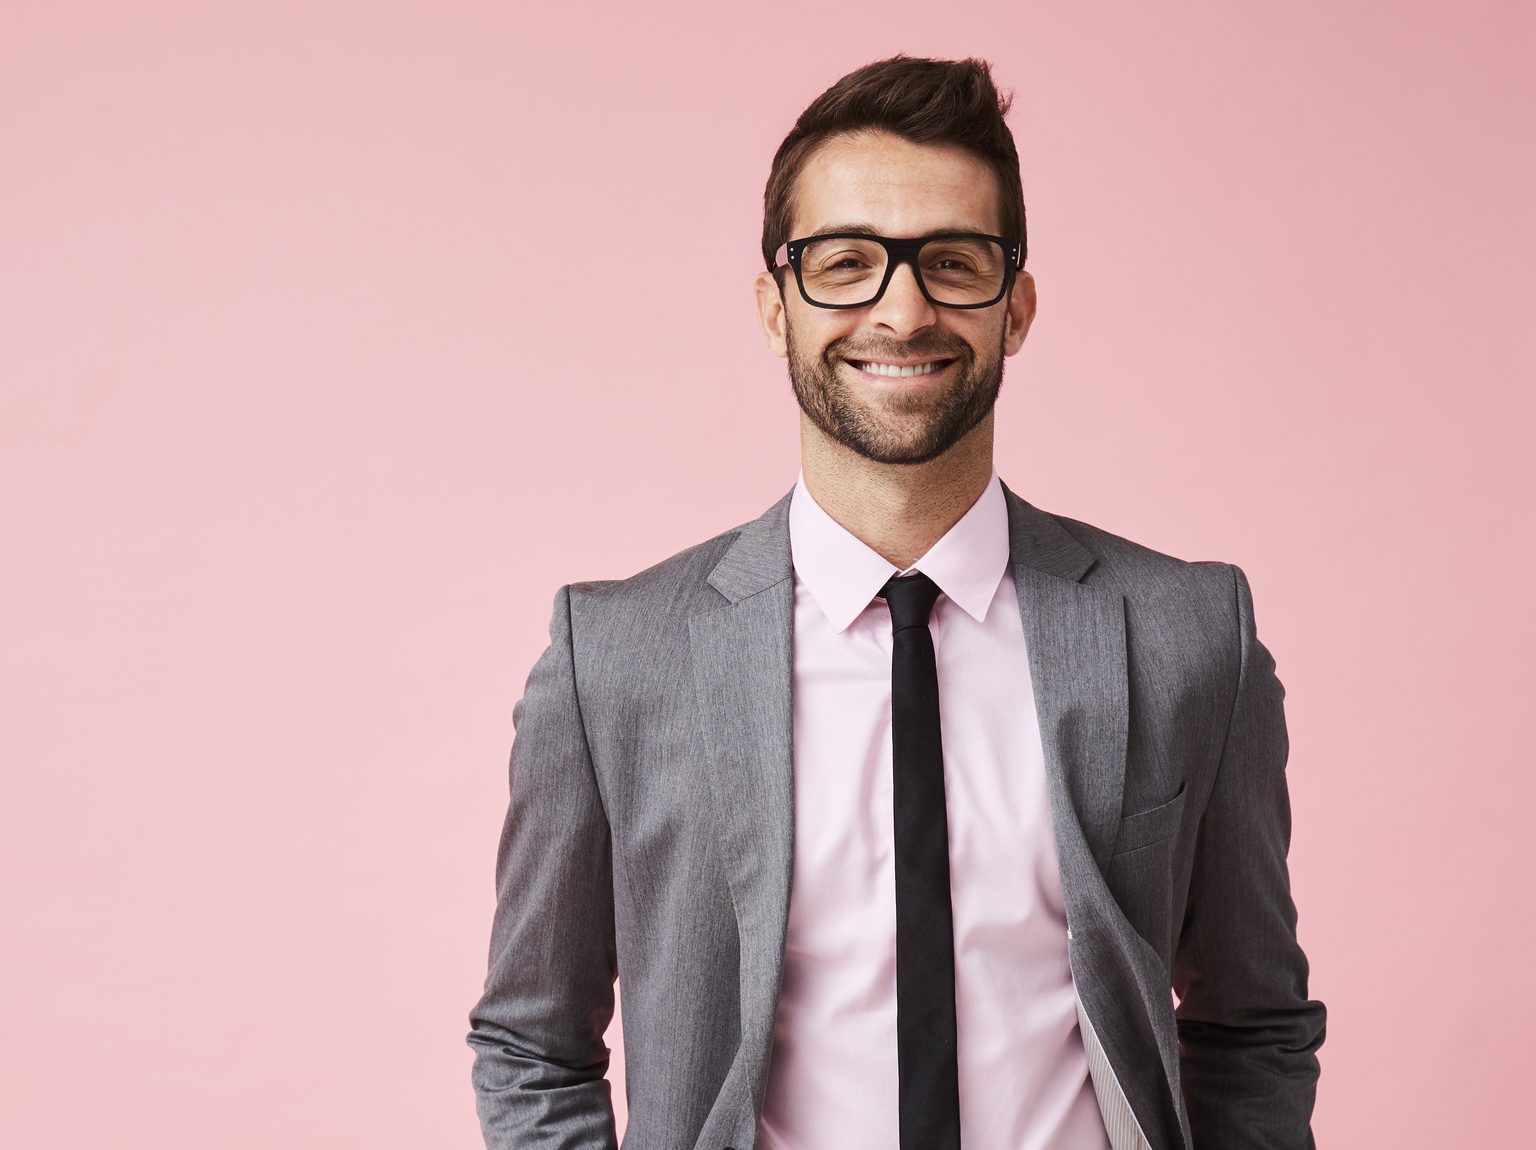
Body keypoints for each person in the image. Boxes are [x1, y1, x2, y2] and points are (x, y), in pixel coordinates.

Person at [467, 54, 1325, 1150]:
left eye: (953, 263)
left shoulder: (1189, 639)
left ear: (1016, 308)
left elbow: (1252, 1028)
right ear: (775, 308)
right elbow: (532, 1046)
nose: (903, 310)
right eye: (846, 263)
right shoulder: (615, 660)